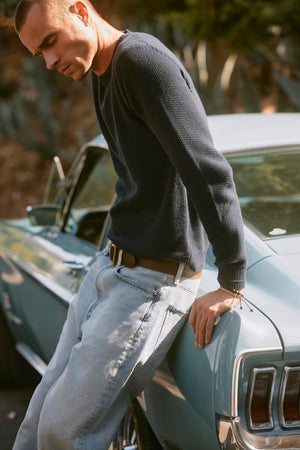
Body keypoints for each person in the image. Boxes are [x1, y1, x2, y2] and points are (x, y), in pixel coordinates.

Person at [13, 0, 247, 448]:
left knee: (64, 433)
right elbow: (137, 180)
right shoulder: (103, 73)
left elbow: (208, 171)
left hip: (151, 282)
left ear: (80, 10)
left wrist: (232, 279)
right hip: (110, 269)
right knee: (37, 420)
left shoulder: (141, 62)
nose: (49, 61)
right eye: (37, 53)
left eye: (50, 42)